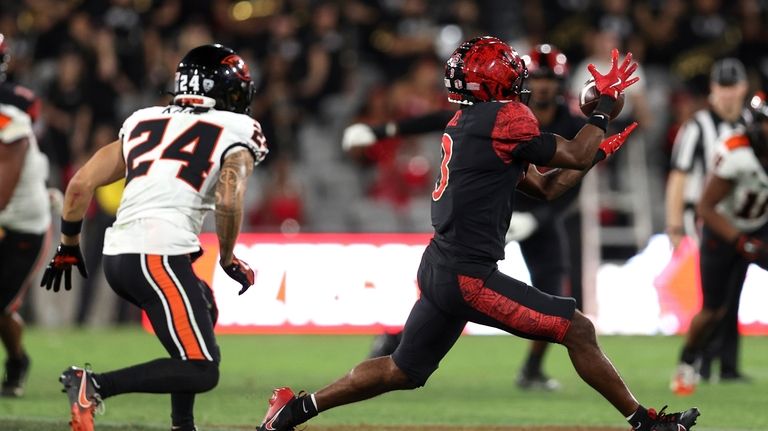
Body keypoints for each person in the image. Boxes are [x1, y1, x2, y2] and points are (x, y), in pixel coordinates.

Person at [257, 36, 699, 431]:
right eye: (510, 67)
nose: (519, 74)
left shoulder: (468, 124)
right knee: (577, 328)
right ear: (494, 78)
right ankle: (645, 423)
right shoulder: (506, 118)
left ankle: (293, 412)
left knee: (400, 372)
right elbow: (572, 154)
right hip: (467, 275)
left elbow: (545, 186)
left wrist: (594, 152)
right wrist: (602, 112)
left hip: (441, 266)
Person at [39, 44, 268, 431]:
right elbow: (229, 200)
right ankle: (93, 386)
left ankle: (183, 424)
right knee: (202, 369)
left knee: (204, 308)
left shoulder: (144, 120)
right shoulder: (239, 129)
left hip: (120, 257)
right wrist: (228, 258)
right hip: (156, 256)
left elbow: (80, 184)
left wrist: (68, 246)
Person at [343, 44, 586, 391]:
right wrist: (385, 131)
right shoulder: (501, 115)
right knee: (462, 292)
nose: (545, 85)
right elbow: (578, 156)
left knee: (551, 288)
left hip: (533, 213)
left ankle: (533, 367)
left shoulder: (547, 119)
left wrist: (540, 218)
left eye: (551, 78)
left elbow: (561, 185)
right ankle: (396, 340)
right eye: (540, 77)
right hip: (485, 215)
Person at [671, 92, 768, 396]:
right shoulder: (737, 153)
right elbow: (706, 208)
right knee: (713, 310)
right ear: (755, 126)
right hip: (722, 232)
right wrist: (740, 241)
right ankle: (687, 362)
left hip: (760, 225)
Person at [665, 58, 750, 385]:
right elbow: (679, 177)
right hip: (704, 218)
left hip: (742, 220)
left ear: (742, 87)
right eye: (722, 87)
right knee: (715, 297)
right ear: (713, 89)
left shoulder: (749, 124)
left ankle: (726, 365)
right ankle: (703, 361)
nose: (728, 94)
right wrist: (674, 225)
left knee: (733, 292)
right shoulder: (697, 126)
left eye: (733, 86)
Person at [0, 33, 49, 398]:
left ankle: (17, 360)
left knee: (0, 306)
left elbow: (8, 171)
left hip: (21, 220)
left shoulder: (11, 108)